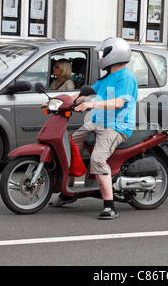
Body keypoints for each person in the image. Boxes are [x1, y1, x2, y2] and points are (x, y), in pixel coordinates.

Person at [49, 37, 138, 220]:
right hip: (98, 123)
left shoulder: (126, 77)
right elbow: (84, 95)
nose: (101, 56)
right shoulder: (106, 77)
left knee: (97, 160)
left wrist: (92, 105)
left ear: (113, 54)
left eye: (104, 53)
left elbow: (118, 102)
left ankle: (109, 206)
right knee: (70, 147)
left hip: (116, 126)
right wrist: (58, 102)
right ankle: (68, 193)